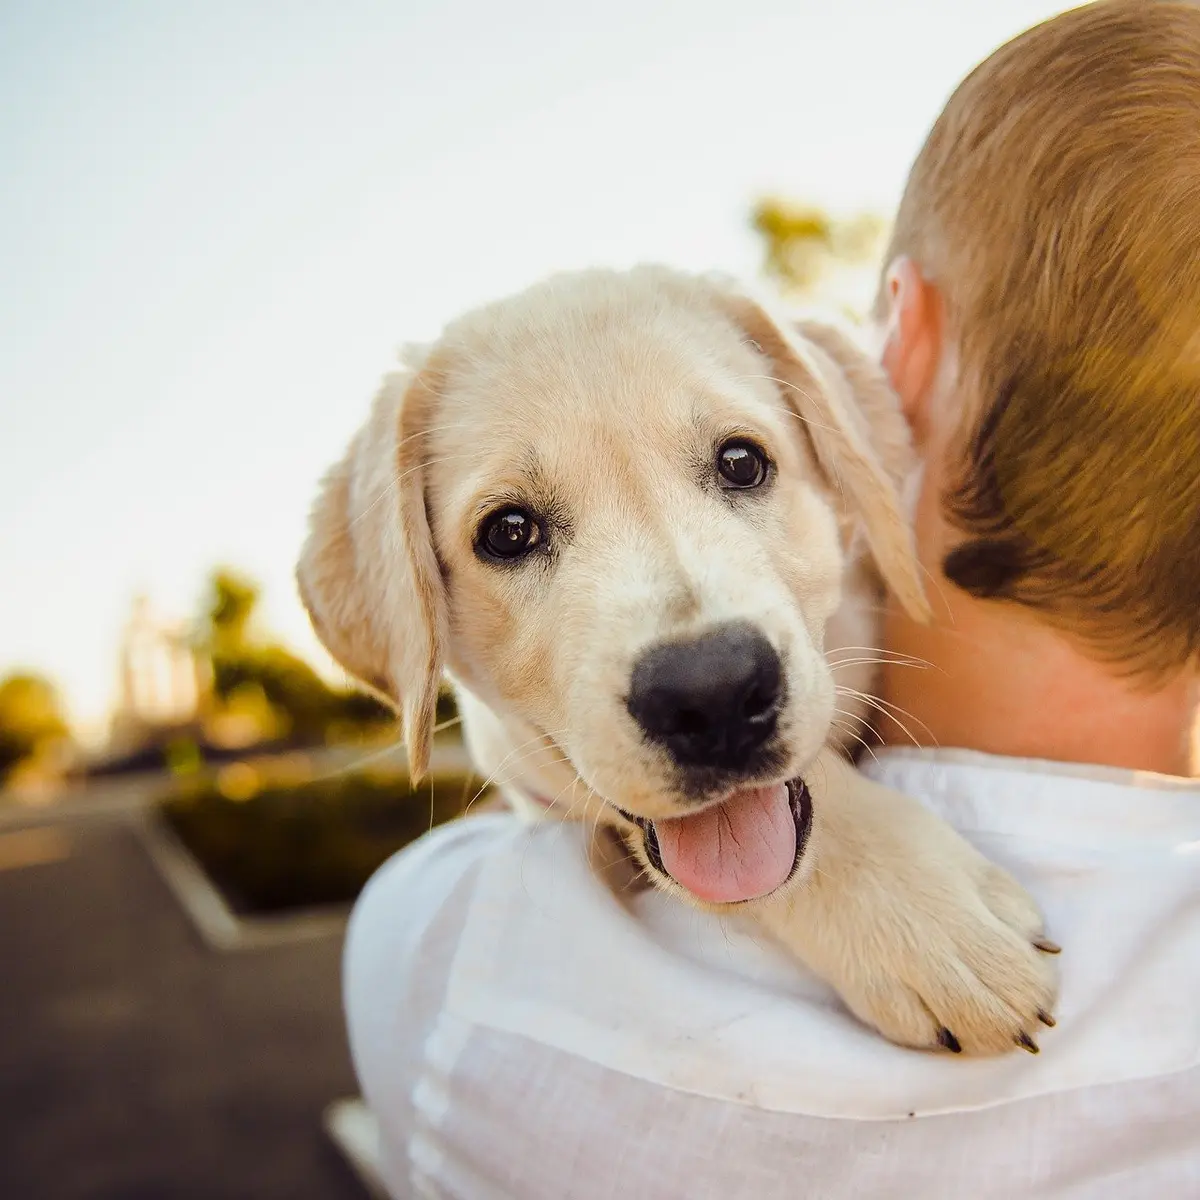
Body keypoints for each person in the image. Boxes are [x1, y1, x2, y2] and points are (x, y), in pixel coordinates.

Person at [342, 3, 1200, 1196]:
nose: (691, 652)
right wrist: (828, 843)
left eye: (738, 466)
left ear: (875, 383)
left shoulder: (437, 957)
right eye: (516, 532)